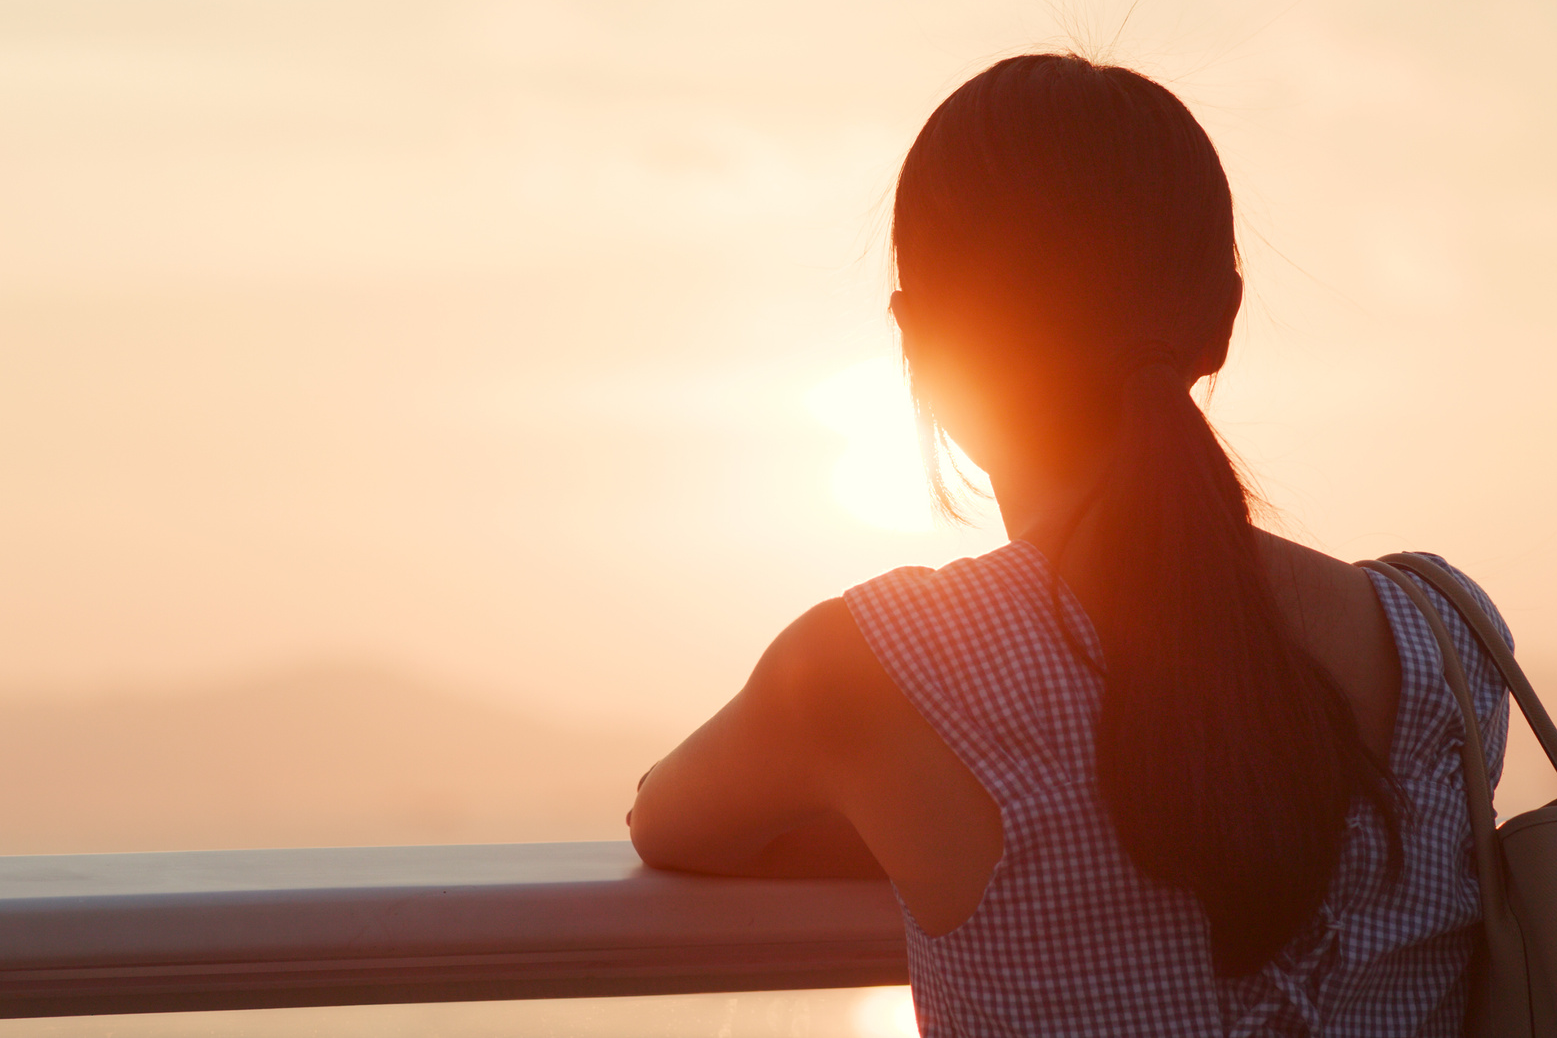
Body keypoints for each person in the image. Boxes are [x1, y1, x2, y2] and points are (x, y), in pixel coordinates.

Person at [628, 53, 1512, 1037]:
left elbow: (666, 822)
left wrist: (895, 816)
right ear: (1219, 319)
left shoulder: (873, 671)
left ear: (916, 340)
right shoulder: (1446, 644)